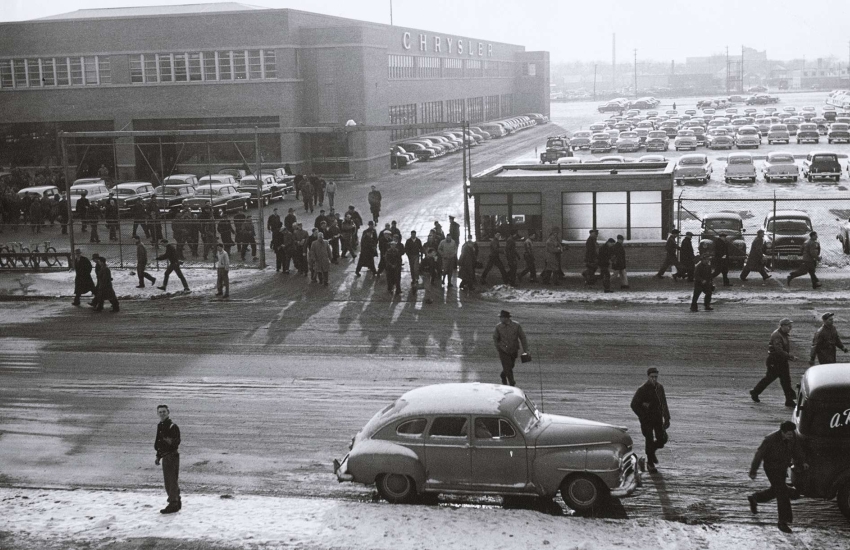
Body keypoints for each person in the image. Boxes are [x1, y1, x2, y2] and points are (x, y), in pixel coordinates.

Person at [747, 421, 808, 533]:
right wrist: (753, 470)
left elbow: (796, 449)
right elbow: (759, 455)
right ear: (782, 432)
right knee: (782, 492)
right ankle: (782, 522)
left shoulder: (792, 436)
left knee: (776, 489)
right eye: (789, 434)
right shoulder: (770, 440)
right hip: (772, 468)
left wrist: (803, 461)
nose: (791, 436)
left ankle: (755, 498)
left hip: (782, 467)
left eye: (792, 434)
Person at [630, 367, 670, 473]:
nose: (654, 379)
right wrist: (643, 416)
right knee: (649, 439)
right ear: (648, 377)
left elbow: (664, 404)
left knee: (662, 440)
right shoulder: (642, 389)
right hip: (646, 420)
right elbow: (634, 405)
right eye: (652, 377)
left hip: (657, 418)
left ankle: (651, 453)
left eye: (656, 377)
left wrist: (667, 418)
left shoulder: (660, 388)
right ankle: (650, 464)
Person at [750, 318, 798, 407]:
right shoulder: (777, 335)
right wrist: (790, 357)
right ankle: (755, 392)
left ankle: (789, 400)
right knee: (770, 378)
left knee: (786, 381)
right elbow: (779, 350)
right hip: (775, 361)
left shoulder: (783, 334)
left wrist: (788, 357)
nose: (790, 327)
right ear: (782, 326)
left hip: (781, 360)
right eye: (788, 326)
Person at [154, 404, 182, 514]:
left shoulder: (172, 426)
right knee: (171, 480)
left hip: (171, 456)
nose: (162, 414)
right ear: (157, 413)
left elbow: (176, 442)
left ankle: (173, 503)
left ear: (168, 412)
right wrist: (158, 455)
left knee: (170, 481)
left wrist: (169, 442)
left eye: (164, 412)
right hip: (166, 456)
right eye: (160, 412)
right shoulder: (160, 425)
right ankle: (176, 501)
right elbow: (159, 442)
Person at [492, 310, 529, 387]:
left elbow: (522, 337)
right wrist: (498, 348)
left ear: (506, 318)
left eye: (501, 317)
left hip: (513, 349)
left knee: (511, 366)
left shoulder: (516, 326)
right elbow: (495, 338)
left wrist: (526, 349)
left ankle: (503, 375)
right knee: (507, 367)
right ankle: (512, 384)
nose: (500, 319)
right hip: (503, 350)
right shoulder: (498, 327)